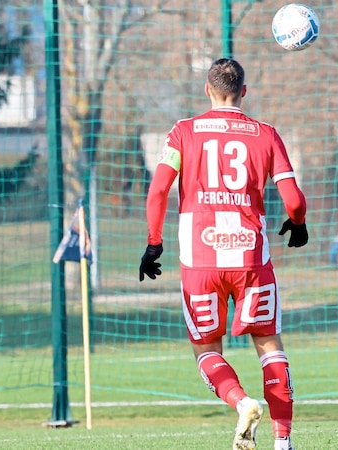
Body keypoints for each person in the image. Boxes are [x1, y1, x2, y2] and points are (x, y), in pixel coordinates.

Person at [139, 58, 307, 450]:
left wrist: (153, 242)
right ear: (243, 92)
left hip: (201, 259)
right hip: (250, 259)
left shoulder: (184, 132)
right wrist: (297, 223)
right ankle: (283, 443)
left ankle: (242, 402)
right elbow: (294, 199)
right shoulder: (266, 134)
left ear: (207, 91)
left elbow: (159, 191)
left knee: (206, 349)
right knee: (269, 345)